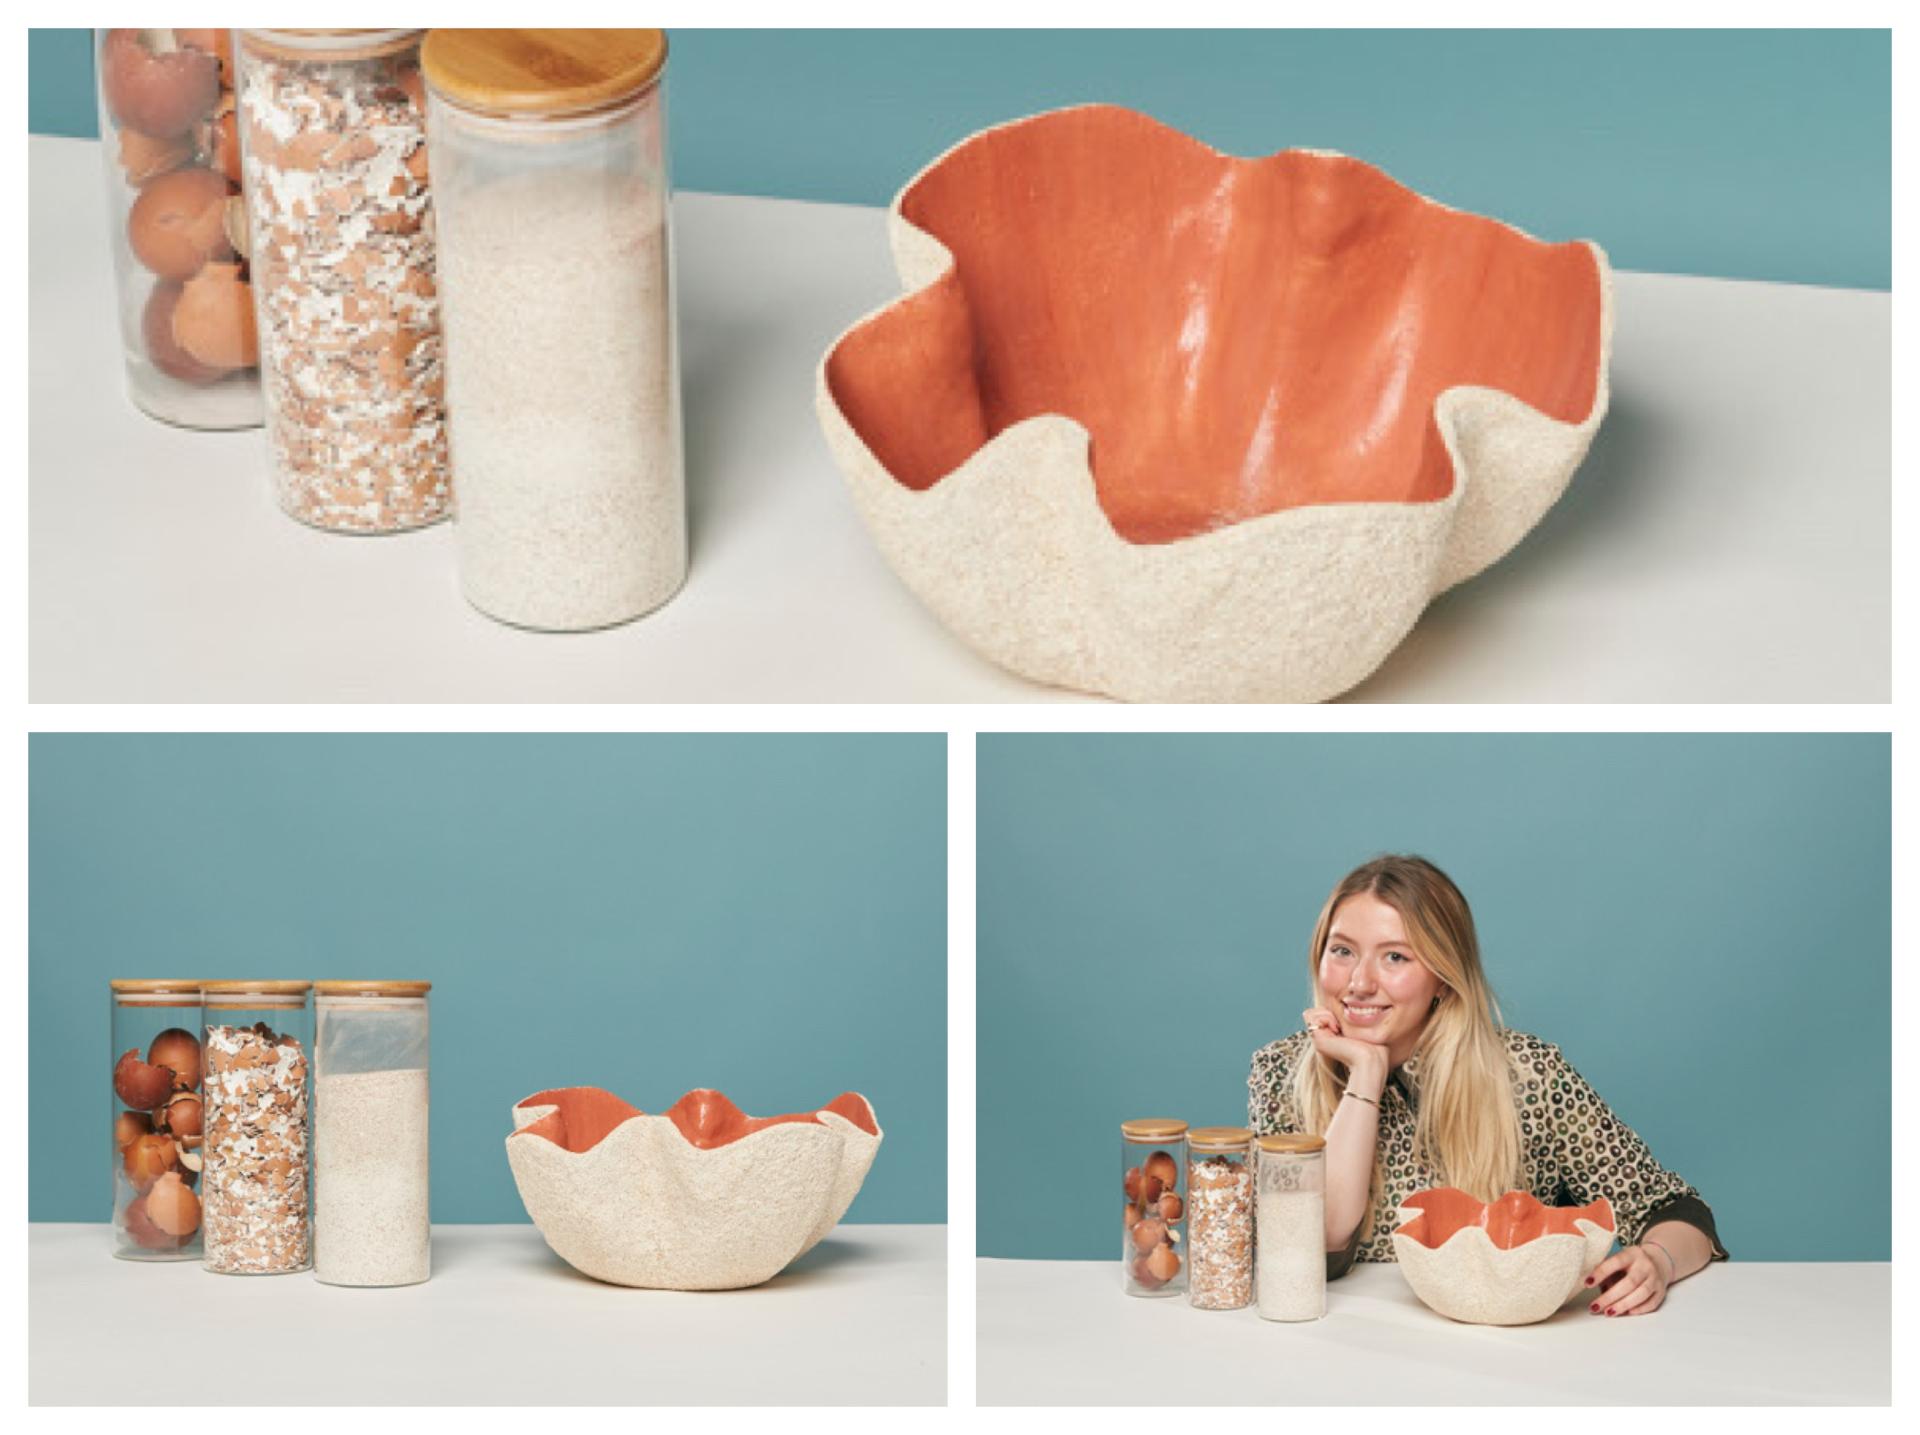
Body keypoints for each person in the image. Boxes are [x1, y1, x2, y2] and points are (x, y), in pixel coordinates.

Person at [1248, 854, 1725, 1316]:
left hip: (1507, 1355)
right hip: (1339, 1353)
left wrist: (1658, 1261)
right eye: (1342, 951)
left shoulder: (1530, 1074)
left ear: (1443, 977)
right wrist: (1366, 1075)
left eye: (1395, 957)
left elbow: (1677, 1210)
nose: (1359, 982)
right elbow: (1315, 1244)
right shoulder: (1279, 1072)